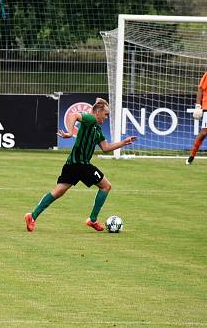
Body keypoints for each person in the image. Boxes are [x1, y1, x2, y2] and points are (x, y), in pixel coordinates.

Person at [24, 98, 137, 233]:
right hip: (81, 164)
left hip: (72, 164)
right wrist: (70, 132)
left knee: (58, 192)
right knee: (106, 186)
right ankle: (92, 220)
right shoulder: (90, 119)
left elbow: (106, 148)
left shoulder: (97, 129)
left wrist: (123, 142)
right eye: (105, 114)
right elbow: (74, 115)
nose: (106, 117)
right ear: (98, 112)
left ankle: (32, 216)